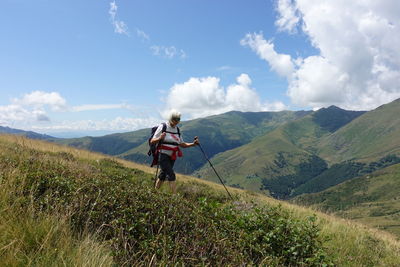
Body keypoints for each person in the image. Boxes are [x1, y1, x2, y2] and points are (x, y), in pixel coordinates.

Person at [150, 110, 199, 194]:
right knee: (171, 175)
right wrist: (160, 138)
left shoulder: (177, 130)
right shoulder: (163, 127)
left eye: (178, 120)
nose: (176, 122)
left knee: (163, 175)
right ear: (170, 119)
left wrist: (193, 144)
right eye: (175, 119)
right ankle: (175, 197)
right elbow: (152, 141)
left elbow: (182, 144)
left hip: (172, 156)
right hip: (162, 154)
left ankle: (154, 192)